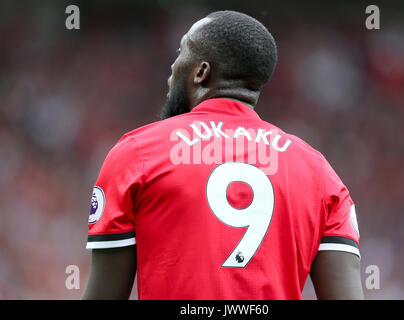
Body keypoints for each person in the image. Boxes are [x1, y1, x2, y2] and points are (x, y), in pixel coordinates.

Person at [81, 10, 364, 300]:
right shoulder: (319, 172)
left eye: (181, 52)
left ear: (201, 72)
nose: (173, 64)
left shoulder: (137, 153)